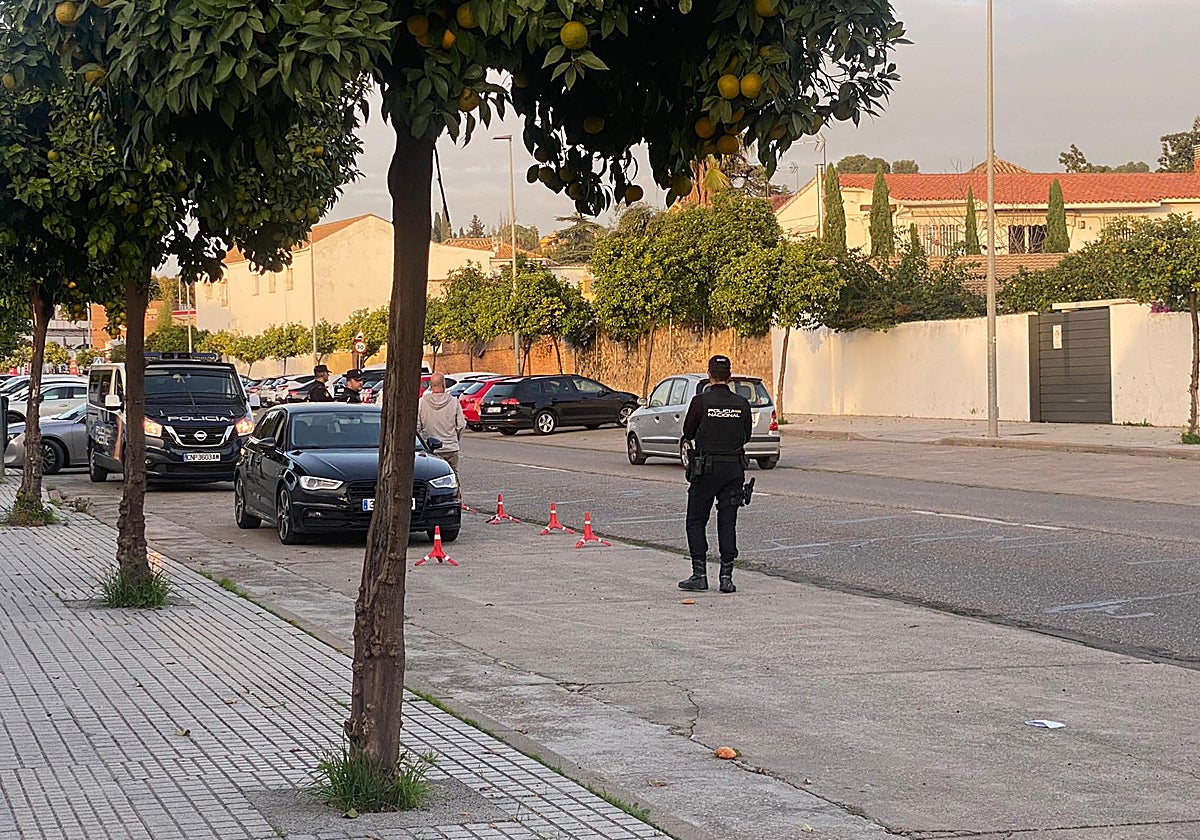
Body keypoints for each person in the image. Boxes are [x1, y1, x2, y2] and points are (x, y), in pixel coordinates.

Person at [679, 354, 753, 594]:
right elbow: (747, 435)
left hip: (706, 469)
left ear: (709, 375)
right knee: (727, 522)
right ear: (729, 377)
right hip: (733, 470)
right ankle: (726, 577)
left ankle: (699, 574)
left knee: (696, 520)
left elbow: (687, 432)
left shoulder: (700, 402)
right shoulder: (741, 404)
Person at [417, 372, 466, 478]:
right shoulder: (454, 402)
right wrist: (455, 438)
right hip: (450, 448)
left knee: (432, 477)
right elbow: (461, 425)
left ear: (430, 385)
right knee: (453, 477)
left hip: (430, 449)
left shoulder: (422, 402)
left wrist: (423, 443)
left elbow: (417, 427)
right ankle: (455, 494)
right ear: (444, 384)